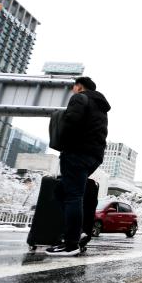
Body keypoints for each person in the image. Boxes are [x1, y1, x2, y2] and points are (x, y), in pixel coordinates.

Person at [46, 77, 110, 256]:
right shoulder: (100, 106)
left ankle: (71, 242)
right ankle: (78, 231)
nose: (72, 90)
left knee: (73, 195)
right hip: (93, 155)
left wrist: (63, 144)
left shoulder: (79, 98)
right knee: (62, 192)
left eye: (74, 87)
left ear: (79, 87)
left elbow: (70, 123)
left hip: (76, 152)